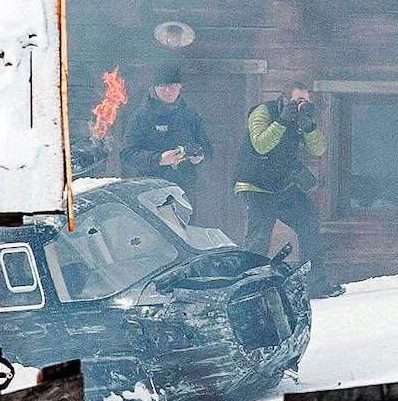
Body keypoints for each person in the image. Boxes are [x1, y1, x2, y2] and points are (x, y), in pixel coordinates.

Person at [233, 79, 345, 299]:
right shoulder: (263, 112)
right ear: (285, 100)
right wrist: (282, 120)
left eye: (306, 101)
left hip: (282, 186)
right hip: (255, 186)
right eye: (298, 101)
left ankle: (315, 285)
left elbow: (319, 150)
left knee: (309, 221)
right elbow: (260, 144)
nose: (302, 105)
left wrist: (309, 126)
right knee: (259, 239)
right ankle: (249, 292)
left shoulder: (300, 119)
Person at [119, 61, 213, 214]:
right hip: (150, 191)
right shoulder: (141, 117)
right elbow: (127, 154)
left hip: (184, 192)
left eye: (172, 85)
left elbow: (208, 150)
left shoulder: (190, 116)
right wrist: (159, 159)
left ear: (180, 86)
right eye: (162, 86)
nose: (167, 91)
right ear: (154, 88)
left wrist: (199, 155)